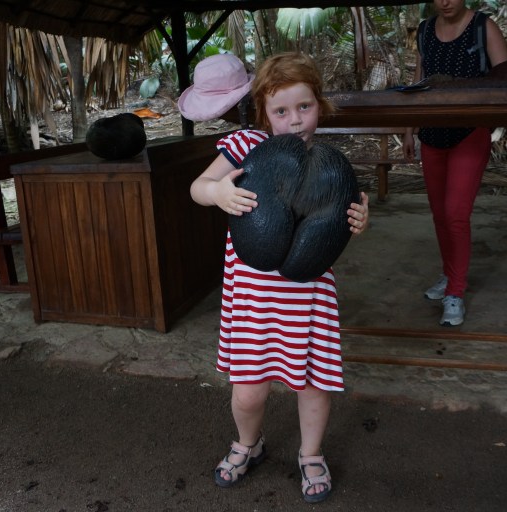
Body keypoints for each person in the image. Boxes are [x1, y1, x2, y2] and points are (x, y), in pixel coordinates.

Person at [189, 52, 370, 504]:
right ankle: (248, 443)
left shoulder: (327, 160)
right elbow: (198, 188)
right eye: (281, 111)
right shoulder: (245, 145)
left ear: (320, 105)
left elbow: (341, 217)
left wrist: (361, 218)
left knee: (314, 387)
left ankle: (311, 454)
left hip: (308, 300)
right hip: (253, 302)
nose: (294, 121)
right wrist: (219, 191)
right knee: (248, 394)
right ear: (263, 113)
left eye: (304, 107)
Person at [402, 0, 507, 326]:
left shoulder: (483, 27)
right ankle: (449, 275)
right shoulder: (424, 31)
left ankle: (456, 292)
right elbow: (418, 81)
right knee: (439, 214)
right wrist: (409, 130)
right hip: (432, 134)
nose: (445, 2)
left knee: (455, 213)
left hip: (469, 132)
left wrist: (492, 118)